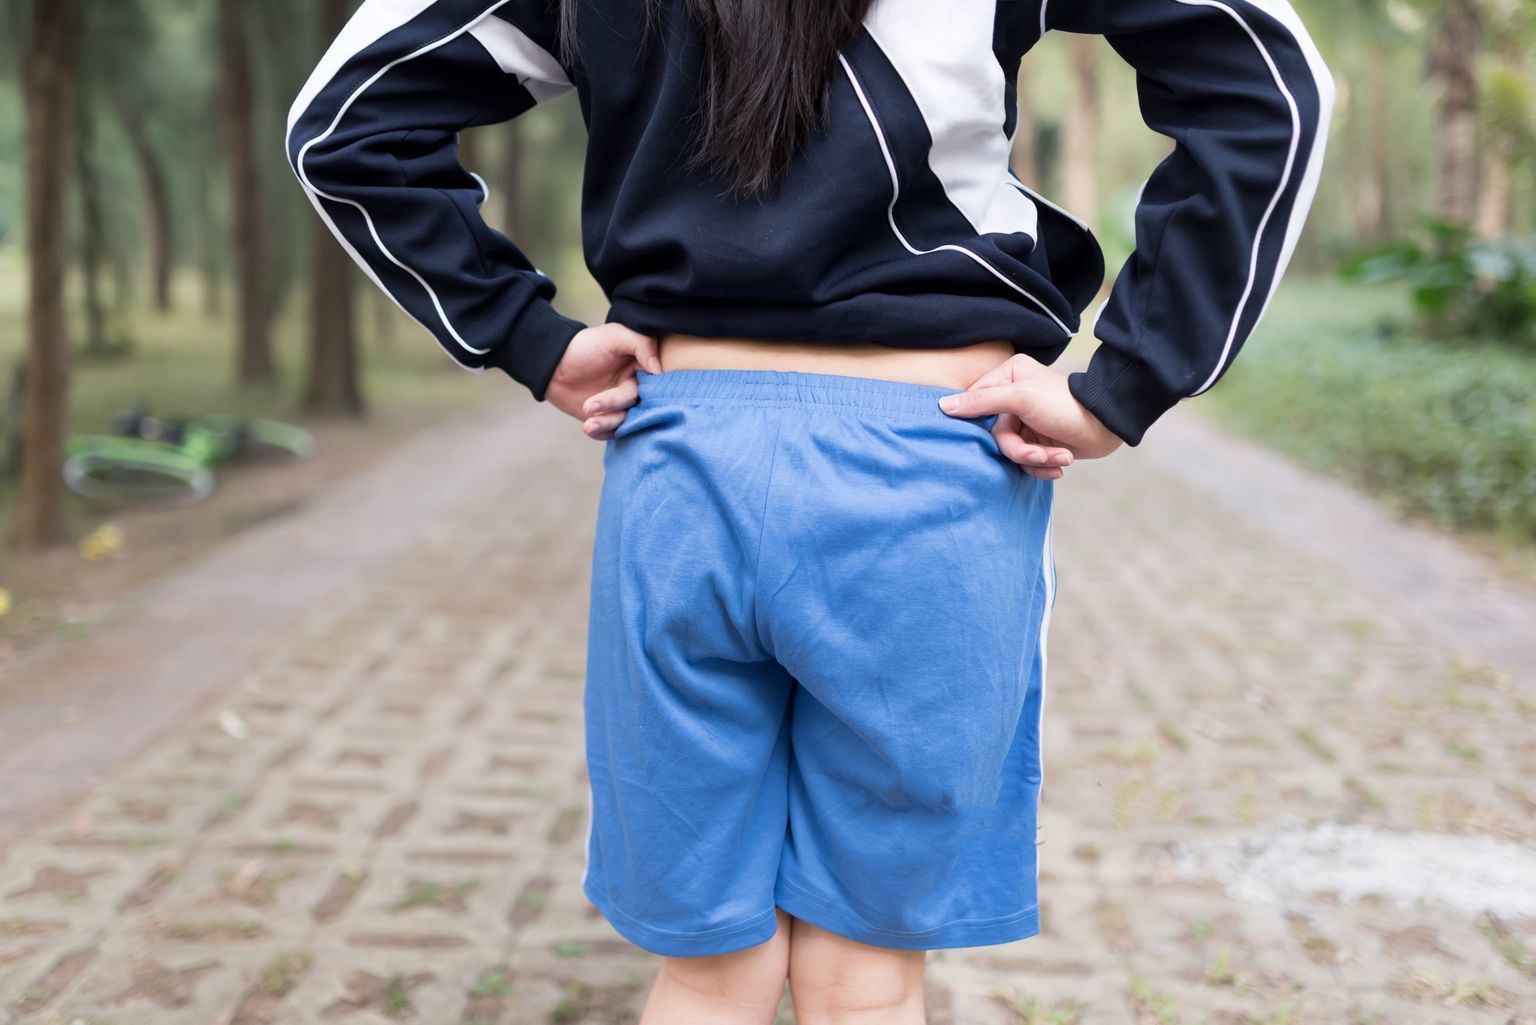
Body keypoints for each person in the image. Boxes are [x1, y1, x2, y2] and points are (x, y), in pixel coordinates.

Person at [287, 0, 1334, 1020]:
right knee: (867, 981)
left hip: (684, 462)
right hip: (930, 465)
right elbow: (1270, 83)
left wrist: (527, 336)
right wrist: (1124, 386)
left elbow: (344, 124)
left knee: (708, 978)